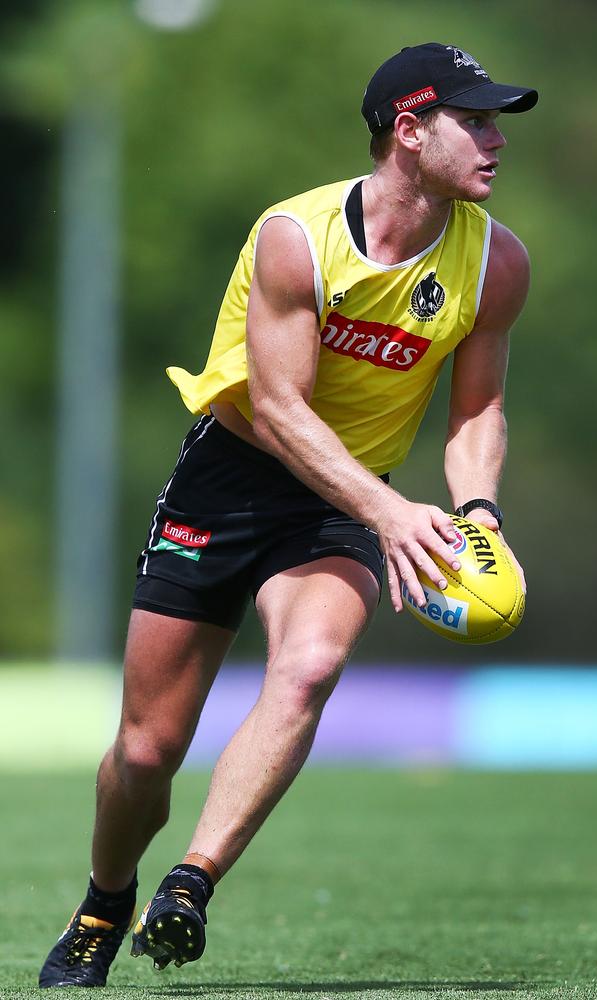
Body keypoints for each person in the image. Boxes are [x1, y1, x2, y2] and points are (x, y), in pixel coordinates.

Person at [39, 41, 537, 987]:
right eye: (473, 120)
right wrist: (392, 513)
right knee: (147, 750)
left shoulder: (496, 262)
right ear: (408, 129)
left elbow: (478, 410)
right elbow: (278, 410)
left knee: (309, 667)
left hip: (345, 498)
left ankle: (189, 882)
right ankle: (106, 898)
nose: (494, 139)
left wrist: (476, 514)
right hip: (233, 477)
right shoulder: (297, 237)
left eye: (496, 121)